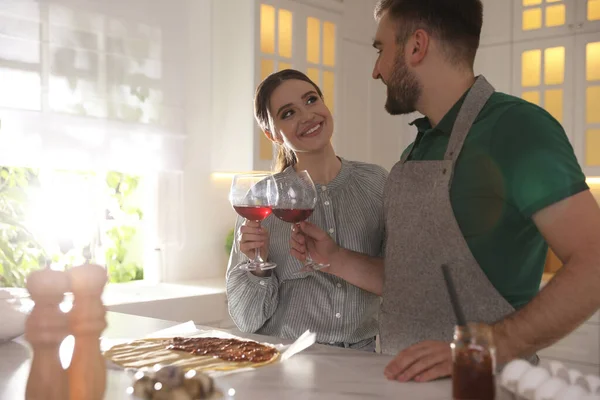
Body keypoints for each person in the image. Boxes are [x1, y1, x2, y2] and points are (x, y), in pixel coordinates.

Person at [290, 0, 600, 382]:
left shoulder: (517, 129)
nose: (376, 70)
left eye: (381, 49)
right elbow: (415, 282)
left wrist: (486, 347)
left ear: (416, 46)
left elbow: (595, 261)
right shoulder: (417, 150)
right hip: (400, 382)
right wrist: (334, 258)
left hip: (485, 386)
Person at [225, 69, 388, 351]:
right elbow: (246, 320)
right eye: (288, 113)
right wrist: (257, 269)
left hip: (364, 361)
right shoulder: (262, 199)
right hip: (287, 363)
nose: (307, 116)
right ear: (271, 134)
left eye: (311, 100)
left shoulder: (377, 183)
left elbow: (404, 281)